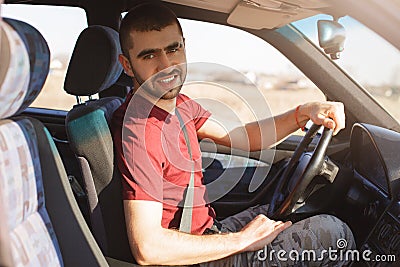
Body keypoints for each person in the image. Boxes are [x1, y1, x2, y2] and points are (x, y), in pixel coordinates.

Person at [112, 2, 355, 266]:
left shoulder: (179, 104)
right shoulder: (139, 131)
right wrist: (241, 240)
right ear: (126, 64)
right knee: (331, 234)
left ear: (184, 45)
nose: (166, 64)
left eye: (173, 49)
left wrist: (303, 113)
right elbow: (149, 249)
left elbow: (242, 137)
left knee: (298, 212)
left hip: (206, 233)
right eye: (149, 56)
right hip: (185, 258)